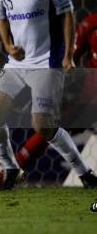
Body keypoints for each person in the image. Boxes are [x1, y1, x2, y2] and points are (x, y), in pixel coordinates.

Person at [0, 0, 97, 189]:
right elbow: (0, 17)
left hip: (47, 62)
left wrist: (68, 56)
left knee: (43, 127)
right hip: (16, 62)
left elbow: (67, 15)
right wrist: (8, 45)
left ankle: (84, 173)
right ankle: (11, 168)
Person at [14, 12, 97, 172]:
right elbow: (69, 58)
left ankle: (18, 164)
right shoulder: (91, 23)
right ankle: (17, 165)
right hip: (90, 95)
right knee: (53, 125)